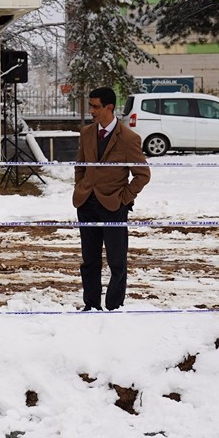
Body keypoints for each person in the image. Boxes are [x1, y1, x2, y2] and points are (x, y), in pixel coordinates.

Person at [73, 87, 151, 311]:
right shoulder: (86, 132)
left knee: (116, 261)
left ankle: (114, 306)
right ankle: (91, 305)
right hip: (86, 204)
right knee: (89, 260)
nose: (91, 111)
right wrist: (81, 187)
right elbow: (80, 165)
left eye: (95, 106)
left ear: (109, 107)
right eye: (90, 106)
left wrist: (123, 199)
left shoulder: (128, 138)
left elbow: (142, 175)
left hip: (113, 206)